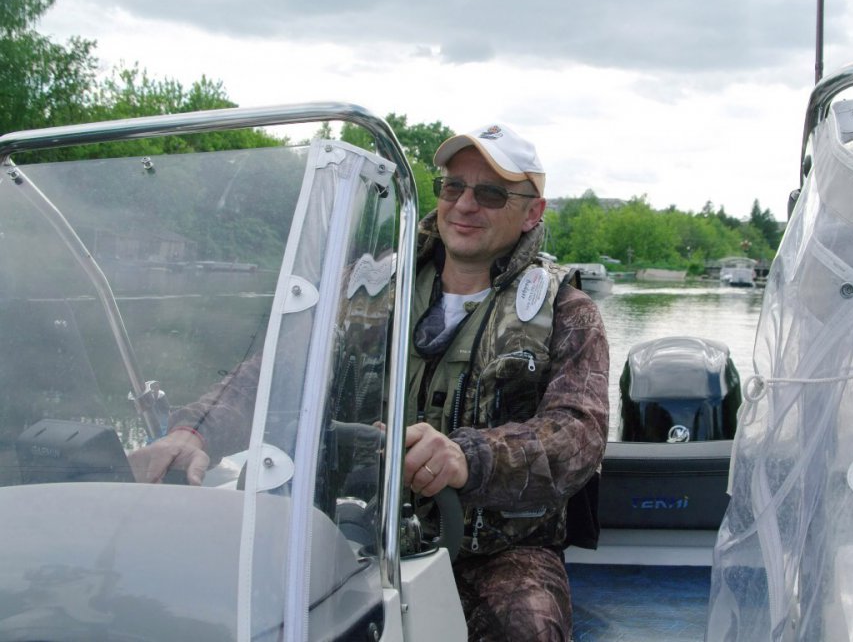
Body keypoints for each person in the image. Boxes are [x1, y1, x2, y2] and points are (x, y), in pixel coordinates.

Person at [128, 123, 610, 641]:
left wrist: (468, 456)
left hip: (499, 549)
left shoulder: (568, 310)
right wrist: (194, 432)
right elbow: (269, 373)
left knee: (529, 624)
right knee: (220, 597)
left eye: (491, 193)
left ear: (532, 212)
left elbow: (577, 434)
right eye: (453, 187)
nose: (465, 205)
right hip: (351, 526)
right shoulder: (363, 288)